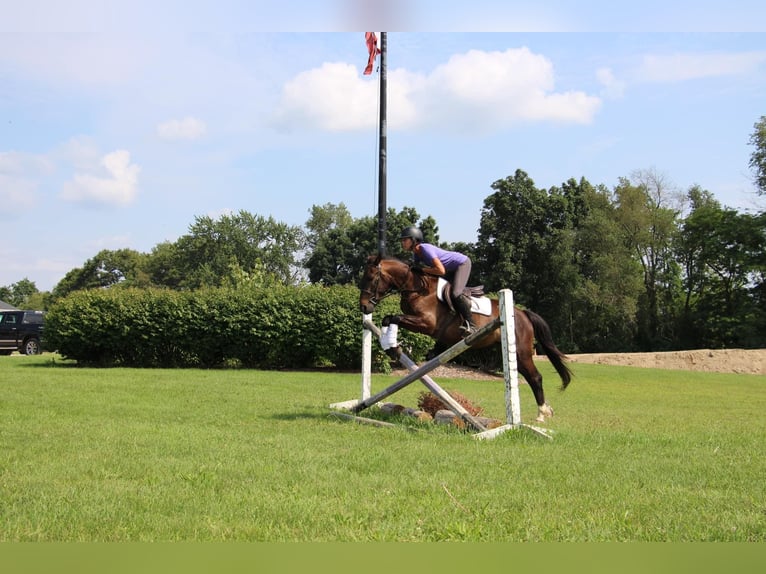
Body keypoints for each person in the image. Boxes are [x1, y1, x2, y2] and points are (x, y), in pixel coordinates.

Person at [399, 226, 476, 335]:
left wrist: (421, 269)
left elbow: (440, 270)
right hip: (449, 269)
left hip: (461, 264)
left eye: (404, 240)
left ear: (413, 240)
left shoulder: (425, 249)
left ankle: (472, 325)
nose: (402, 243)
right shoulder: (416, 254)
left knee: (455, 293)